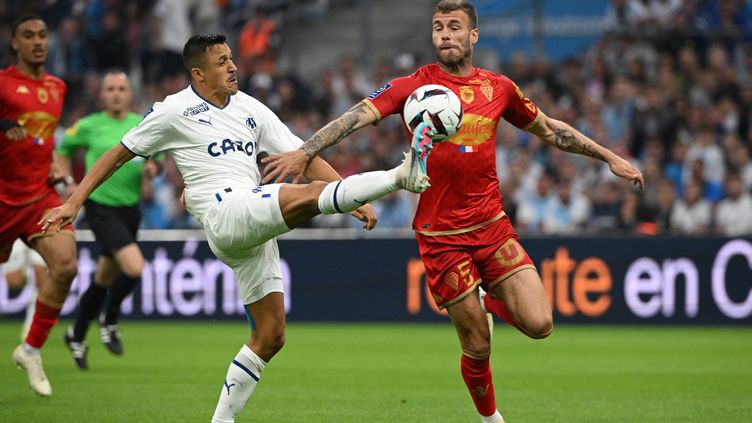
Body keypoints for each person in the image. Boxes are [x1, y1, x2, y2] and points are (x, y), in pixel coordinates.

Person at [260, 1, 644, 422]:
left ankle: (484, 296)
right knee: (478, 345)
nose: (444, 33)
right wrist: (305, 151)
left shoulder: (499, 88)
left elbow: (551, 129)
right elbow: (356, 117)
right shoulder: (413, 86)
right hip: (441, 235)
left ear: (472, 36)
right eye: (438, 26)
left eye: (454, 27)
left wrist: (609, 157)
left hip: (492, 226)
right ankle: (490, 418)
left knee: (539, 324)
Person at [41, 33, 435, 422]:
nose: (232, 66)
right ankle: (401, 174)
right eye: (221, 62)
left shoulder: (251, 108)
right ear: (198, 73)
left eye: (231, 58)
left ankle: (221, 420)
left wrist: (357, 200)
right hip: (224, 211)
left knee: (271, 336)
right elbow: (118, 154)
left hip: (249, 224)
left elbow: (303, 154)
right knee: (308, 194)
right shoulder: (173, 110)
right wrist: (74, 202)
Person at [56, 70, 159, 369]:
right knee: (135, 267)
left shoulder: (142, 125)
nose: (116, 93)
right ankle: (109, 319)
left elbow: (159, 159)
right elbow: (62, 151)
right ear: (102, 95)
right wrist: (67, 182)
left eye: (121, 89)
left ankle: (76, 334)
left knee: (103, 278)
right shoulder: (88, 126)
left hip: (131, 210)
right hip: (100, 207)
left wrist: (154, 170)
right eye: (110, 89)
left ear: (130, 94)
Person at [0, 13, 77, 397]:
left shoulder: (57, 87)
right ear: (14, 42)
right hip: (1, 197)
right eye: (28, 36)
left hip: (38, 198)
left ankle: (30, 350)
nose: (37, 41)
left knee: (65, 265)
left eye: (43, 35)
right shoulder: (1, 83)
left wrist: (57, 172)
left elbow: (41, 142)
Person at [3, 238, 47, 341]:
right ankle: (28, 274)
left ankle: (30, 325)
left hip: (38, 231)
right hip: (17, 234)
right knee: (13, 281)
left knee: (41, 279)